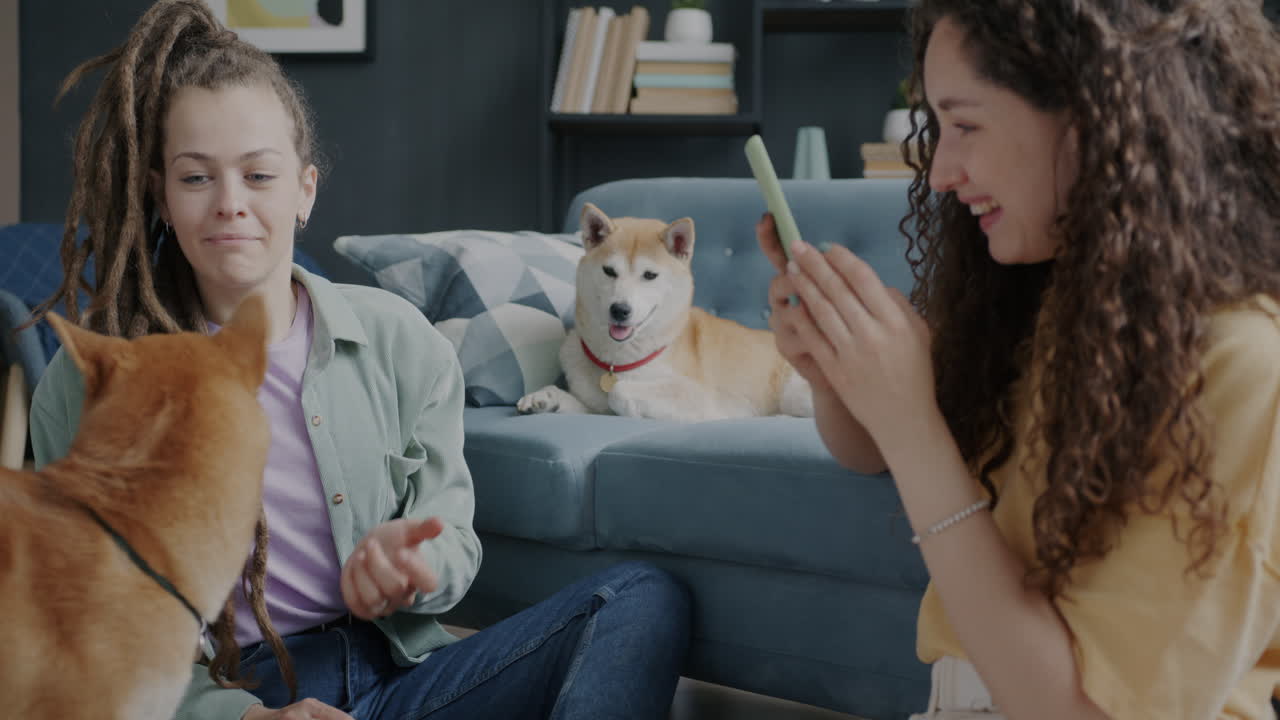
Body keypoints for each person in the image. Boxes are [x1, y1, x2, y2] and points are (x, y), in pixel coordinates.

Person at [28, 2, 690, 719]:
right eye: (195, 178)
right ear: (160, 194)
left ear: (304, 191)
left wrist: (415, 569)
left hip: (399, 679)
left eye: (258, 175)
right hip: (236, 699)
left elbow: (452, 539)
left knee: (639, 601)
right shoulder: (87, 387)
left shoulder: (401, 342)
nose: (229, 204)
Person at [759, 1, 1280, 718]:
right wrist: (838, 372)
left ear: (1098, 115)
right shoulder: (1045, 292)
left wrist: (911, 426)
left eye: (965, 124)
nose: (939, 171)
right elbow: (869, 451)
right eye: (938, 128)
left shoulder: (1243, 365)